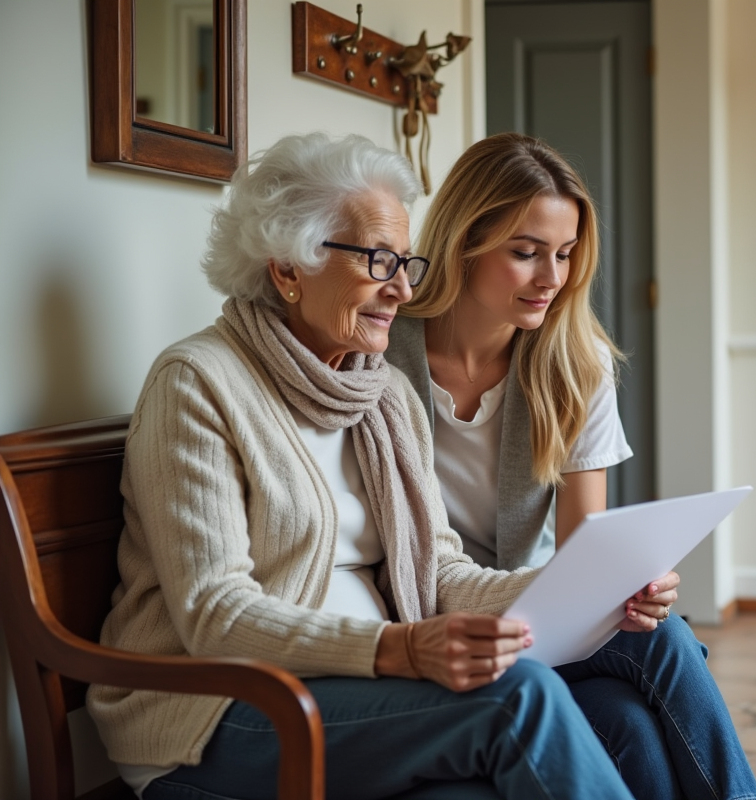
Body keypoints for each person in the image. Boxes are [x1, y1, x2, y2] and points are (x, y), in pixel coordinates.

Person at [87, 132, 640, 800]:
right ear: (287, 269)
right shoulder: (199, 384)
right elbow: (216, 614)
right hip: (218, 710)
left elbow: (438, 573)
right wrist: (400, 649)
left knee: (612, 720)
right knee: (516, 697)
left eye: (406, 263)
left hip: (356, 694)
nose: (403, 290)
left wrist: (583, 586)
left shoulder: (379, 392)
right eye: (380, 262)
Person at [385, 132, 756, 800]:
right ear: (463, 240)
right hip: (435, 623)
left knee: (649, 662)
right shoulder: (382, 354)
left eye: (563, 255)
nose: (552, 278)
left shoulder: (573, 365)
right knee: (642, 695)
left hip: (539, 621)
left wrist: (636, 587)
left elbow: (582, 548)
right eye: (525, 253)